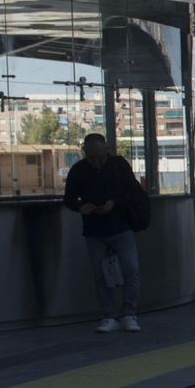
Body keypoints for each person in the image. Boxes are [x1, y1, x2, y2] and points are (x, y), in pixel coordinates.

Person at [63, 132, 142, 332]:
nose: (97, 162)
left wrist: (114, 203)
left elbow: (133, 192)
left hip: (120, 226)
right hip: (95, 230)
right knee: (100, 275)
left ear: (107, 151)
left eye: (100, 157)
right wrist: (81, 206)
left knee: (131, 270)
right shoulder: (79, 170)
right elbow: (69, 199)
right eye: (92, 158)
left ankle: (129, 314)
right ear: (85, 154)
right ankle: (111, 316)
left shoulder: (118, 165)